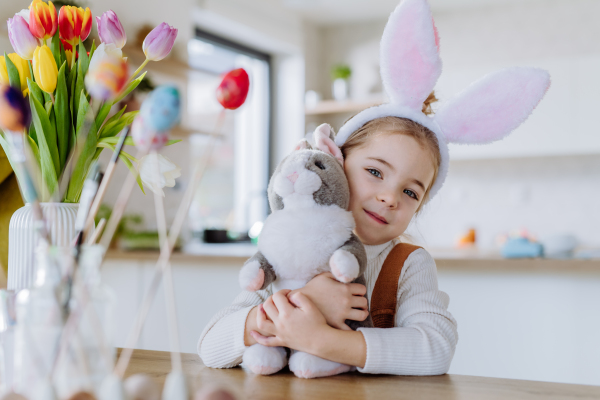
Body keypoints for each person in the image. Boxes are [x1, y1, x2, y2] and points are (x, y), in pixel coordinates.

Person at [197, 0, 550, 378]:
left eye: (411, 193)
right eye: (375, 172)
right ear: (336, 161)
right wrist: (303, 302)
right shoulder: (286, 250)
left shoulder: (408, 265)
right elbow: (210, 345)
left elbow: (436, 349)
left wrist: (321, 340)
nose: (390, 197)